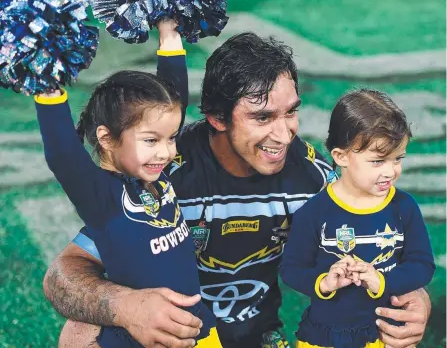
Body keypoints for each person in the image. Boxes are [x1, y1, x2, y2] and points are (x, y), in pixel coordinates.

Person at [43, 33, 432, 348]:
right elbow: (63, 274)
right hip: (172, 333)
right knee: (78, 334)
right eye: (262, 117)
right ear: (216, 117)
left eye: (291, 112)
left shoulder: (316, 178)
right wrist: (125, 306)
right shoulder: (161, 173)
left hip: (260, 336)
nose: (284, 134)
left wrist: (417, 299)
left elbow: (379, 243)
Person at [35, 20, 221, 348]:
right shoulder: (102, 196)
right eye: (151, 140)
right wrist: (49, 89)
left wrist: (169, 35)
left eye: (171, 138)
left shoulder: (153, 173)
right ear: (106, 138)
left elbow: (174, 98)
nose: (166, 151)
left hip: (197, 327)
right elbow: (64, 155)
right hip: (145, 337)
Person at [280, 89, 435, 348]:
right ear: (341, 157)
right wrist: (323, 282)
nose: (391, 171)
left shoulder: (404, 207)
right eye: (378, 161)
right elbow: (291, 269)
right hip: (324, 336)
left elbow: (422, 264)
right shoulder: (314, 212)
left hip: (382, 336)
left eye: (398, 159)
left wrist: (383, 281)